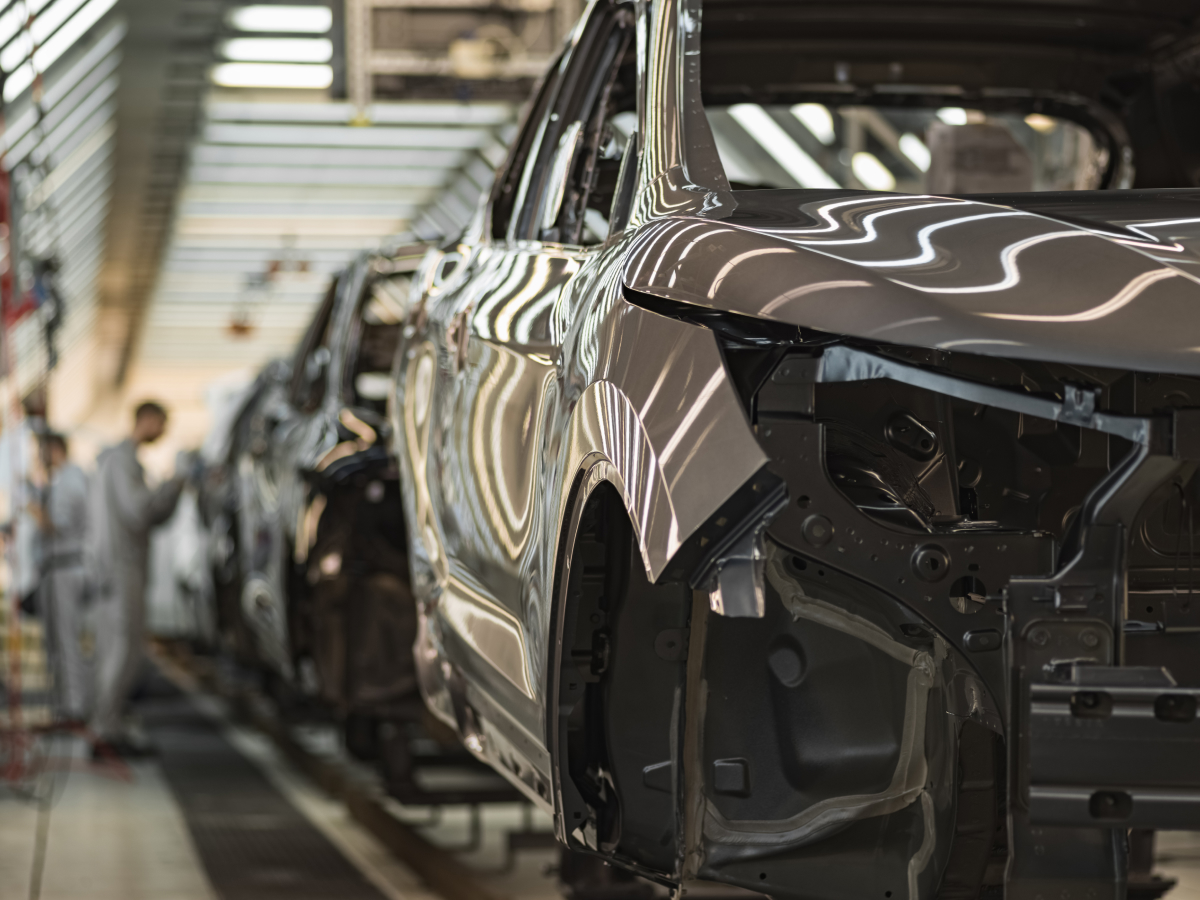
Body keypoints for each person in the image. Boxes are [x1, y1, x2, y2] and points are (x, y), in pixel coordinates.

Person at [88, 401, 185, 756]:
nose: (163, 432)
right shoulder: (123, 460)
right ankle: (105, 732)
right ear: (146, 420)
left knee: (118, 650)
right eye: (162, 423)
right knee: (123, 651)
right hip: (121, 567)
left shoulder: (117, 460)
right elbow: (139, 511)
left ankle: (108, 726)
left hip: (118, 567)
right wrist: (174, 483)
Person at [30, 433, 91, 724]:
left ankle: (74, 707)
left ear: (53, 449)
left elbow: (58, 526)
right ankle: (65, 706)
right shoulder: (62, 480)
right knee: (57, 642)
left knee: (66, 641)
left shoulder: (70, 482)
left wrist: (30, 507)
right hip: (56, 568)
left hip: (65, 567)